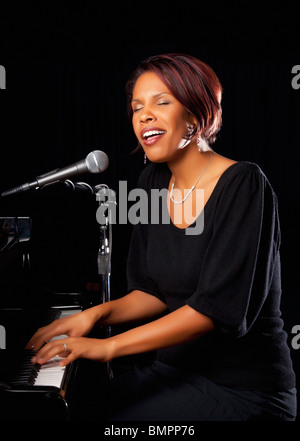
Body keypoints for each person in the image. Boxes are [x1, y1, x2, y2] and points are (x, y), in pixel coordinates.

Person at [26, 53, 297, 421]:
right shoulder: (151, 184)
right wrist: (93, 316)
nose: (144, 115)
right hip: (171, 373)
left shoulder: (245, 184)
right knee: (79, 408)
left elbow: (215, 313)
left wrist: (108, 348)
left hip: (245, 390)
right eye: (137, 106)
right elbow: (151, 291)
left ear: (196, 113)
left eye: (161, 102)